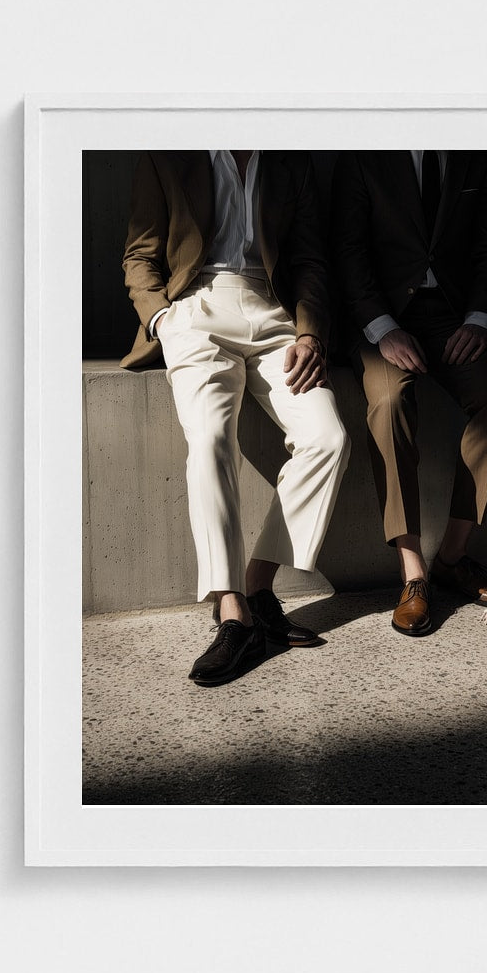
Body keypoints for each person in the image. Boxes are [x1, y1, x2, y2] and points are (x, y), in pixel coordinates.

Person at [122, 150, 350, 686]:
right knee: (209, 441)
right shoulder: (168, 152)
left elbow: (310, 258)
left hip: (273, 313)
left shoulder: (289, 161)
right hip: (195, 309)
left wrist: (310, 330)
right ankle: (231, 613)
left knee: (328, 437)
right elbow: (140, 251)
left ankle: (255, 584)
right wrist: (161, 317)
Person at [331, 150, 487, 636]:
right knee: (390, 403)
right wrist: (381, 327)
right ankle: (413, 574)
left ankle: (452, 557)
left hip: (455, 316)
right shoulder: (363, 156)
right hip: (383, 317)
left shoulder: (473, 154)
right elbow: (347, 251)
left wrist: (481, 318)